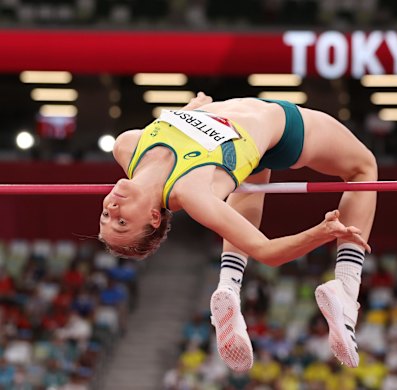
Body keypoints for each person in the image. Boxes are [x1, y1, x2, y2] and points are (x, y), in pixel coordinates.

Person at [98, 92, 378, 371]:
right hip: (279, 129)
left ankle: (229, 285)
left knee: (249, 181)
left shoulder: (127, 146)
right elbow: (267, 252)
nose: (112, 209)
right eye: (122, 223)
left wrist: (192, 108)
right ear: (154, 217)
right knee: (363, 168)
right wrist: (320, 232)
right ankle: (346, 288)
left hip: (249, 150)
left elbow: (178, 133)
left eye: (106, 216)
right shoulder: (191, 192)